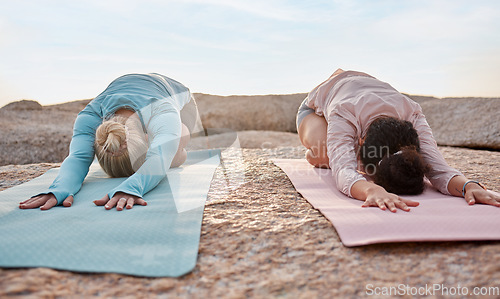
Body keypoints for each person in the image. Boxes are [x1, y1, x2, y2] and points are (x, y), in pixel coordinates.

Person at [297, 68, 500, 212]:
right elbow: (343, 171)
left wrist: (469, 186)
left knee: (390, 163)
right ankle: (317, 149)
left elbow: (438, 169)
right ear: (361, 140)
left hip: (363, 85)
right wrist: (371, 189)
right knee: (325, 154)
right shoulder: (345, 113)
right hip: (320, 104)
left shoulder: (413, 115)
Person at [19, 73, 202, 211]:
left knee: (176, 154)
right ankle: (159, 140)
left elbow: (161, 155)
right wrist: (59, 189)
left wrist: (134, 187)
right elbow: (79, 157)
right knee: (165, 144)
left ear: (146, 139)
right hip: (128, 88)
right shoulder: (90, 116)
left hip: (176, 96)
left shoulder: (162, 107)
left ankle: (163, 140)